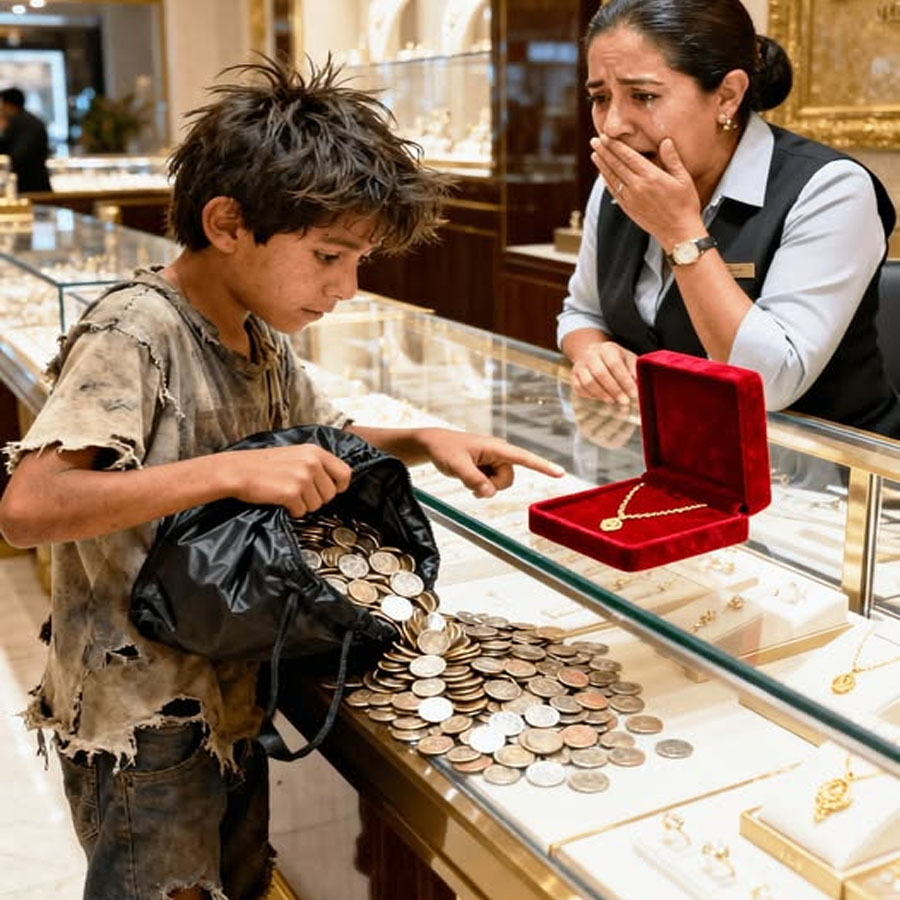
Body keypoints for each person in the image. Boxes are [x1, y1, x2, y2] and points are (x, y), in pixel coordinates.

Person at [0, 58, 564, 900]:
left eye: (358, 259)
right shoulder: (136, 329)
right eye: (329, 255)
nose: (346, 287)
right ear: (228, 222)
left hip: (230, 688)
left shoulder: (258, 336)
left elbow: (323, 440)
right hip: (142, 720)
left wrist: (423, 437)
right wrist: (229, 469)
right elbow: (29, 506)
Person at [558, 0, 900, 436]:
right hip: (685, 446)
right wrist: (592, 352)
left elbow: (772, 383)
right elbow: (582, 312)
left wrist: (679, 231)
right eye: (600, 98)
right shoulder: (618, 183)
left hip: (824, 464)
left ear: (727, 96)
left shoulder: (831, 189)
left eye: (643, 96)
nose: (612, 126)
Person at [0, 86, 52, 193]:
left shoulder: (22, 124)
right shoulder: (28, 121)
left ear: (8, 105)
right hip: (35, 186)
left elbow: (18, 157)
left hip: (30, 189)